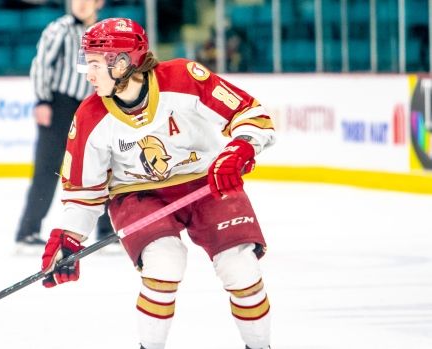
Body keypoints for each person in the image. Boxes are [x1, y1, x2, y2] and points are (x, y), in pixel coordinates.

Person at [40, 18, 275, 349]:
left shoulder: (182, 78)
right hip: (138, 195)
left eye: (93, 64)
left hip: (207, 184)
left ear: (121, 63)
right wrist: (67, 237)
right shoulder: (90, 116)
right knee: (163, 263)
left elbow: (251, 114)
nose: (88, 74)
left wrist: (242, 146)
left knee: (242, 269)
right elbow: (83, 193)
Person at [15, 0, 116, 251]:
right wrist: (42, 100)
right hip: (59, 105)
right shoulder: (58, 29)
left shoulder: (106, 32)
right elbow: (40, 66)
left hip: (95, 105)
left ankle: (106, 230)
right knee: (47, 168)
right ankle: (27, 232)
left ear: (99, 2)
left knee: (102, 165)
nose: (80, 4)